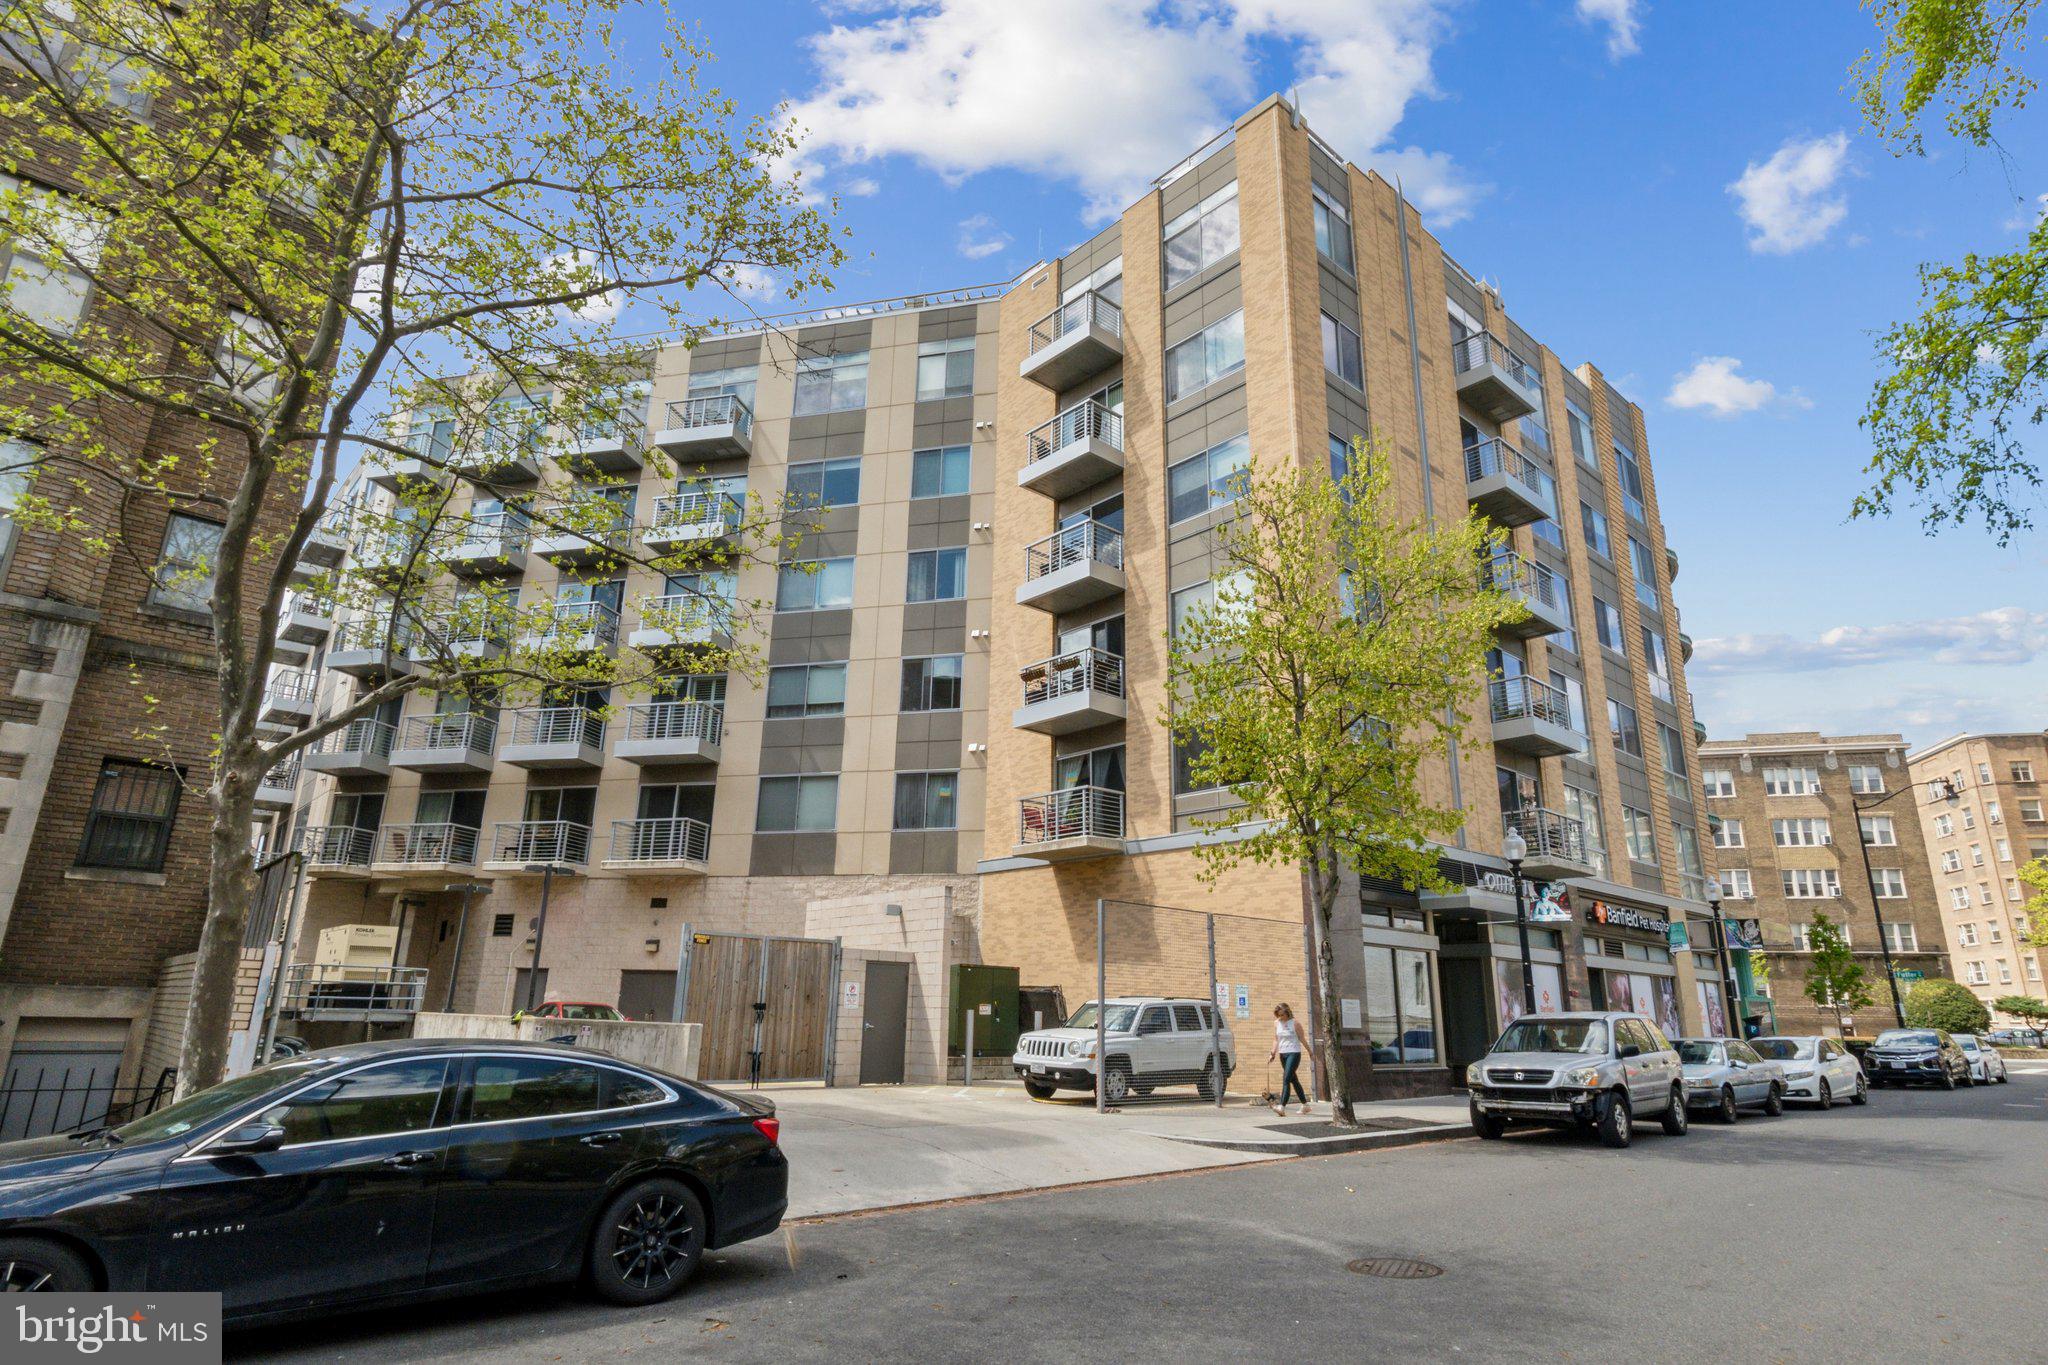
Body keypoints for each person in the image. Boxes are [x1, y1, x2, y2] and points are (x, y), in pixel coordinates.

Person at [1270, 1003, 1309, 1116]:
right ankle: (1305, 1105)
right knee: (1293, 1080)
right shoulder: (1276, 1023)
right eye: (1279, 1015)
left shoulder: (1295, 1023)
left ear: (1287, 1012)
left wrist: (1310, 1052)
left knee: (1286, 1079)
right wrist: (1272, 1053)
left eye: (1282, 1015)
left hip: (1294, 1053)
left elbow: (1302, 1039)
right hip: (1283, 1054)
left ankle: (1281, 1106)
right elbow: (1276, 1039)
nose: (1281, 1017)